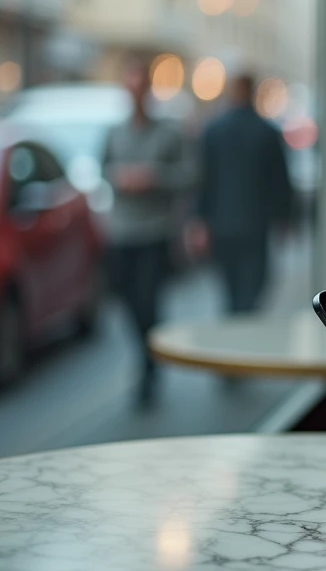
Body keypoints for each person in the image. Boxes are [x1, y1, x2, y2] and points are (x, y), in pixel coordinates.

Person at [103, 60, 193, 404]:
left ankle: (148, 367)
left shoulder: (168, 133)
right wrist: (119, 177)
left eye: (140, 89)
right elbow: (104, 169)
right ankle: (145, 351)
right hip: (121, 232)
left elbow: (189, 175)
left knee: (148, 301)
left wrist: (154, 177)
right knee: (126, 301)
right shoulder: (114, 132)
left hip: (154, 232)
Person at [189, 73, 293, 315]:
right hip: (255, 224)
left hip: (221, 223)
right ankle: (243, 325)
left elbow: (203, 181)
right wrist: (285, 218)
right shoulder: (266, 131)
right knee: (252, 288)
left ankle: (235, 323)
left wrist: (199, 219)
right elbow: (280, 181)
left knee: (230, 289)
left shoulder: (213, 131)